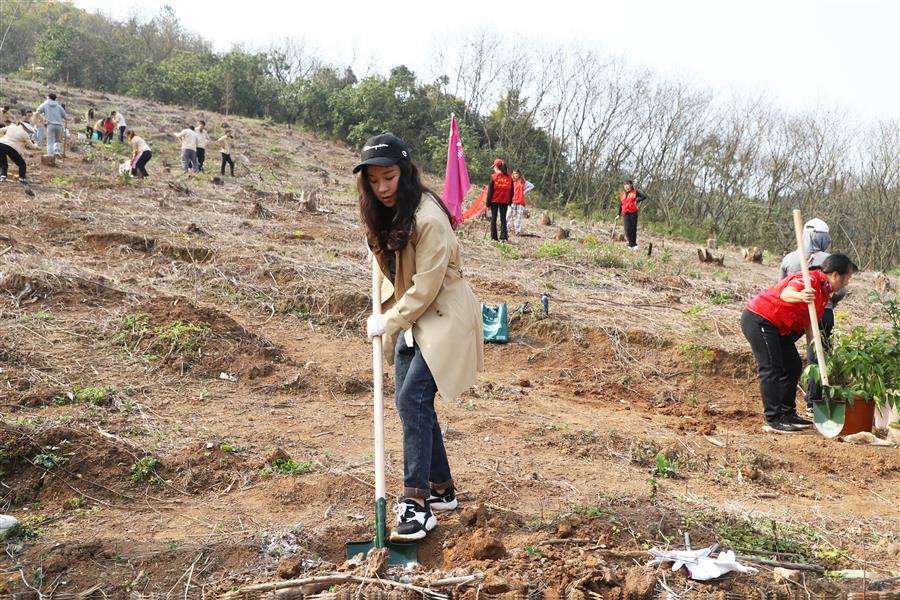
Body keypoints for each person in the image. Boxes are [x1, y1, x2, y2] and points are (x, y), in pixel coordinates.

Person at [356, 133, 483, 541]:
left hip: (444, 316)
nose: (382, 188)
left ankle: (417, 504)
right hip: (416, 318)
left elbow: (425, 289)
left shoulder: (428, 219)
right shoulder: (386, 211)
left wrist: (388, 321)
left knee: (412, 398)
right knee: (410, 402)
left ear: (405, 172)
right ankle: (443, 490)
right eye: (373, 181)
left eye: (389, 177)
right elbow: (393, 272)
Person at [741, 253, 857, 433]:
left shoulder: (824, 292)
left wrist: (816, 348)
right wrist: (801, 295)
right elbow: (787, 294)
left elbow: (810, 323)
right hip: (761, 318)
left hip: (778, 327)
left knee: (793, 365)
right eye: (846, 278)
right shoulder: (809, 279)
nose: (846, 283)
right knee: (772, 367)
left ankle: (788, 413)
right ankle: (774, 419)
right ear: (835, 275)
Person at [778, 218, 847, 414]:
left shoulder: (790, 258)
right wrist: (829, 300)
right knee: (818, 357)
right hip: (822, 313)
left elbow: (781, 286)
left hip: (793, 315)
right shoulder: (831, 260)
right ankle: (813, 403)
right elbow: (841, 290)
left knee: (785, 353)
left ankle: (784, 401)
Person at [485, 158, 513, 241]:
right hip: (505, 201)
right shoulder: (509, 178)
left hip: (494, 201)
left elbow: (490, 192)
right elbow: (512, 192)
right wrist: (510, 202)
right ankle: (504, 237)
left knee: (493, 219)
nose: (493, 168)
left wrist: (488, 204)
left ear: (497, 167)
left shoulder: (493, 177)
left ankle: (494, 237)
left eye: (494, 167)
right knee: (503, 219)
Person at [616, 179, 647, 250]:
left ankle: (633, 244)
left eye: (628, 185)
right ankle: (631, 243)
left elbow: (644, 196)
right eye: (625, 185)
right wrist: (618, 215)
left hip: (633, 212)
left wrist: (637, 200)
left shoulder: (635, 192)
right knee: (627, 229)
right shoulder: (622, 194)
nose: (626, 186)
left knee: (633, 229)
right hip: (625, 213)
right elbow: (621, 205)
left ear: (631, 185)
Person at [36, 92, 66, 157]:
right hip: (59, 125)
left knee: (50, 142)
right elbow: (65, 116)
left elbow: (37, 113)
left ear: (48, 97)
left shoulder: (45, 104)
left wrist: (43, 121)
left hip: (50, 125)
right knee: (57, 140)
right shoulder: (58, 106)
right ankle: (56, 150)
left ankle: (50, 156)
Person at [507, 169, 533, 236]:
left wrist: (524, 192)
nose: (515, 175)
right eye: (514, 173)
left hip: (520, 201)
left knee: (518, 217)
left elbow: (531, 186)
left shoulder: (523, 182)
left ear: (519, 174)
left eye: (516, 173)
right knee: (508, 215)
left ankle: (517, 231)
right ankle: (506, 228)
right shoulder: (511, 181)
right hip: (512, 201)